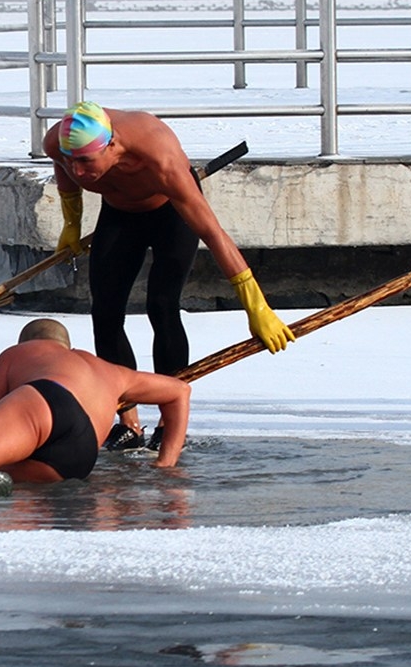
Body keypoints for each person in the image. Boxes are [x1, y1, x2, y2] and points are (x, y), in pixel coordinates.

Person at [43, 101, 291, 449]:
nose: (78, 171)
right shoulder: (59, 142)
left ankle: (168, 420)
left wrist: (257, 308)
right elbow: (61, 170)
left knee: (162, 305)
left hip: (169, 213)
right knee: (105, 312)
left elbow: (215, 235)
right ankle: (128, 421)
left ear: (111, 146)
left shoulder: (160, 158)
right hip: (119, 215)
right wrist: (72, 222)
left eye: (85, 161)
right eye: (72, 161)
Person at [0, 318, 191, 499]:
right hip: (77, 457)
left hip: (51, 402)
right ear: (68, 345)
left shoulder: (22, 352)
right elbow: (179, 390)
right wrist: (165, 463)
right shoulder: (111, 371)